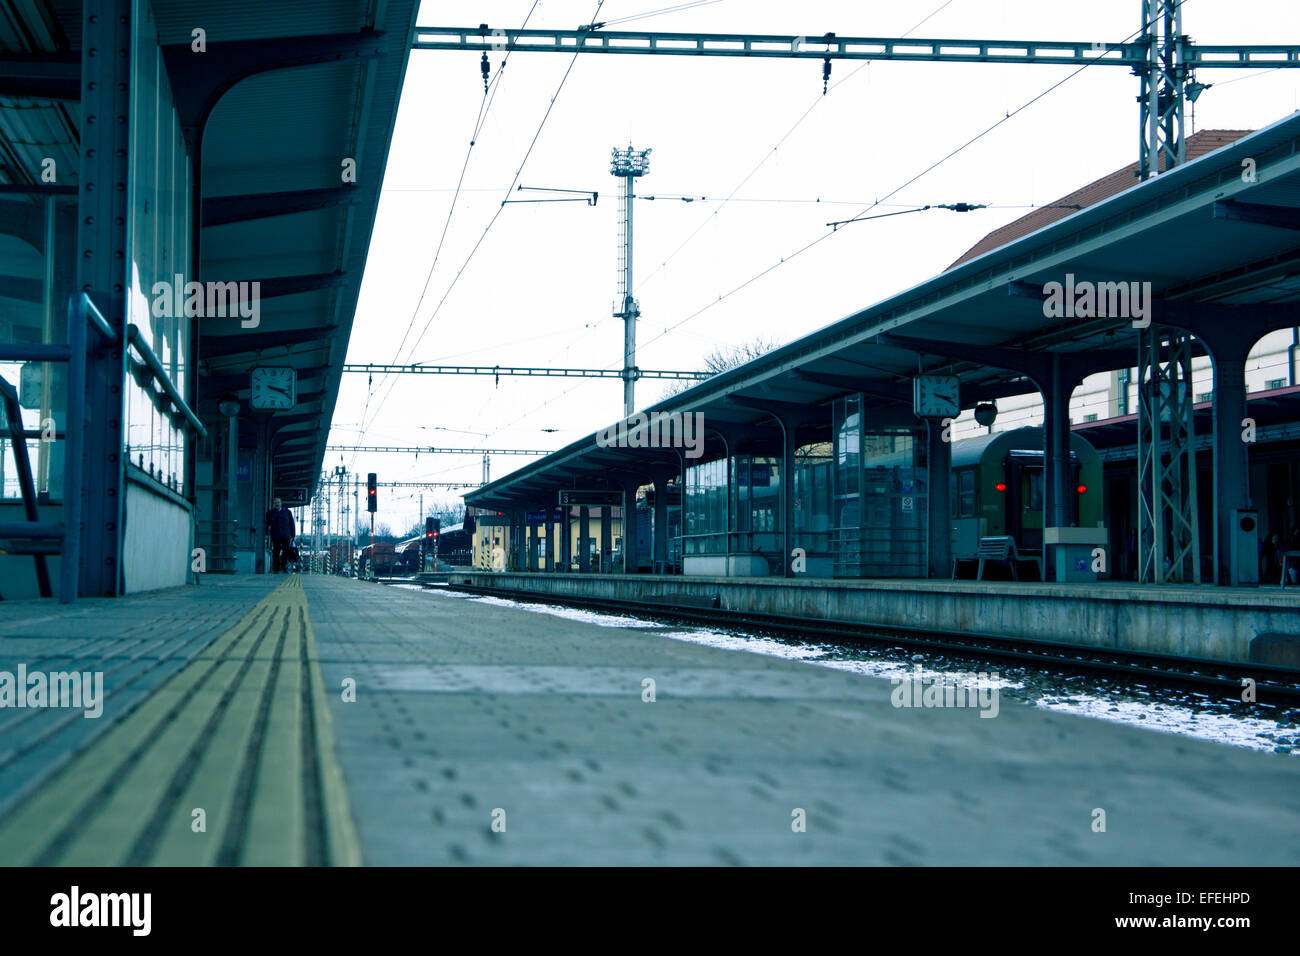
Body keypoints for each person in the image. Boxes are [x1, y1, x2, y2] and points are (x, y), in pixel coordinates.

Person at [265, 497, 296, 574]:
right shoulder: (270, 513)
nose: (277, 504)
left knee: (286, 551)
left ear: (281, 503)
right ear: (273, 503)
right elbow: (266, 523)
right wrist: (266, 533)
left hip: (286, 535)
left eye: (278, 502)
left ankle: (283, 567)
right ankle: (276, 568)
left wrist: (293, 534)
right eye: (275, 502)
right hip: (275, 536)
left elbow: (291, 523)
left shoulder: (287, 512)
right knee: (276, 552)